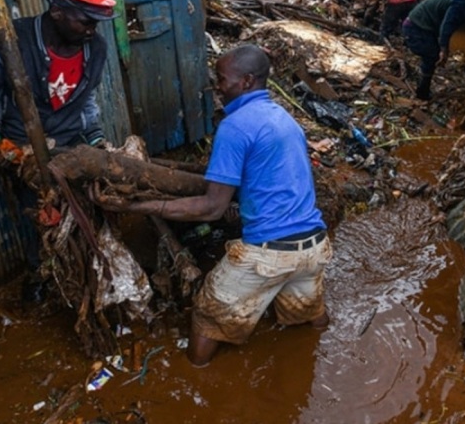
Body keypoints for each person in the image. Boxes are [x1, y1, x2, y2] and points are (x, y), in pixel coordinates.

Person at [90, 44, 332, 367]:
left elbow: (211, 208)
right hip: (315, 248)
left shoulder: (235, 126)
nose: (217, 86)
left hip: (269, 255)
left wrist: (146, 206)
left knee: (206, 316)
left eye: (222, 78)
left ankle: (196, 376)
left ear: (246, 81)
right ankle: (326, 358)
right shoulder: (285, 118)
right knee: (310, 318)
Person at [0, 0, 116, 301]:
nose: (93, 28)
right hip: (22, 149)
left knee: (87, 210)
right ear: (57, 10)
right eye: (86, 20)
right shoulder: (6, 40)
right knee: (38, 216)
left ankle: (89, 276)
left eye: (98, 20)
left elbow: (87, 101)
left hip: (71, 147)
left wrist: (96, 139)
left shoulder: (95, 47)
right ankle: (41, 274)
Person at [402, 0, 465, 99]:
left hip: (423, 27)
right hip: (414, 28)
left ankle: (423, 85)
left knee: (433, 53)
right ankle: (422, 92)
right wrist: (444, 49)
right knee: (432, 56)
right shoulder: (461, 5)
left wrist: (443, 48)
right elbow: (446, 27)